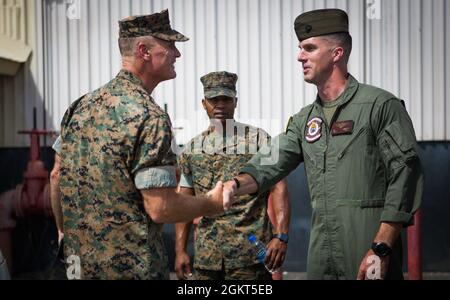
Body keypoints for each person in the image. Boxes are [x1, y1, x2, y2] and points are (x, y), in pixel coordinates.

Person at [221, 9, 424, 280]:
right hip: (320, 254)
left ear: (336, 54)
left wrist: (381, 246)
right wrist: (234, 184)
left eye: (309, 48)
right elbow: (270, 163)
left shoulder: (379, 106)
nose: (299, 56)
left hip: (367, 246)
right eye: (300, 48)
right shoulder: (305, 119)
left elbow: (405, 174)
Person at [51, 9, 226, 280]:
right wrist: (210, 203)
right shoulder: (150, 116)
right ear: (144, 50)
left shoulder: (80, 106)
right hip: (132, 269)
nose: (177, 54)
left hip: (77, 266)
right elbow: (160, 208)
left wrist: (64, 231)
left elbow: (56, 176)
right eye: (169, 45)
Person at [175, 72, 290, 280]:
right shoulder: (192, 149)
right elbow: (184, 200)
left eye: (226, 99)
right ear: (204, 103)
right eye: (213, 99)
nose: (220, 105)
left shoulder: (259, 140)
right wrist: (180, 250)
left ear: (235, 102)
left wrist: (281, 236)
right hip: (207, 258)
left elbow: (279, 187)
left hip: (250, 257)